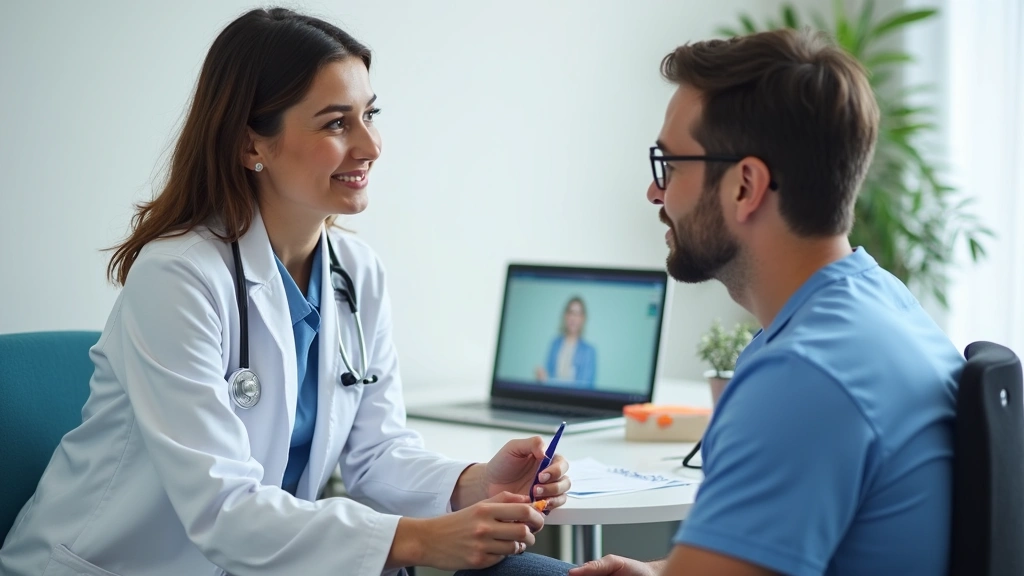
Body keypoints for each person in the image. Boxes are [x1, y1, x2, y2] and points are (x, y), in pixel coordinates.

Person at [0, 8, 570, 576]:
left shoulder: (356, 273)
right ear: (253, 144)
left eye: (370, 114)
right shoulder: (178, 276)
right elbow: (223, 508)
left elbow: (375, 455)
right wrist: (416, 540)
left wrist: (476, 481)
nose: (370, 146)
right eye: (335, 123)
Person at [466, 26, 965, 576]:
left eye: (670, 165)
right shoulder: (879, 304)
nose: (655, 193)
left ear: (745, 186)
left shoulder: (803, 375)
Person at [535, 296, 597, 388]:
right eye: (571, 312)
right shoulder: (554, 344)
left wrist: (550, 381)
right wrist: (543, 378)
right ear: (566, 316)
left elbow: (586, 386)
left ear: (583, 319)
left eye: (578, 314)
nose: (573, 318)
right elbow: (547, 377)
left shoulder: (589, 351)